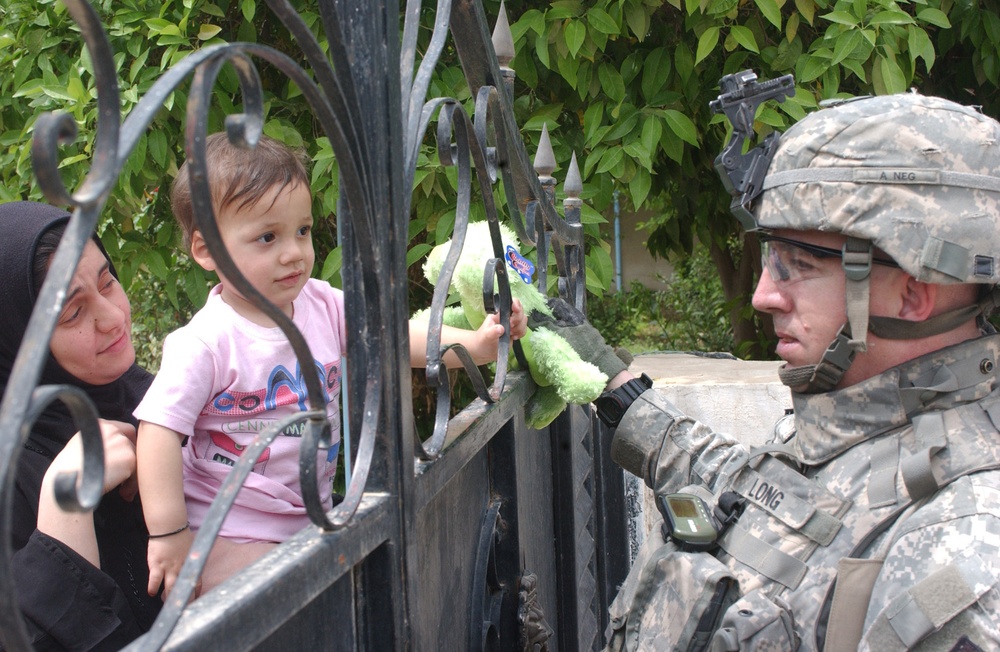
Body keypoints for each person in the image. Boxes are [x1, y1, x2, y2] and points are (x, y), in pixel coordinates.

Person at [542, 91, 1000, 649]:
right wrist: (614, 385)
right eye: (770, 262)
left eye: (799, 266)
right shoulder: (856, 424)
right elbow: (760, 489)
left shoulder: (964, 548)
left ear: (913, 294)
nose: (762, 295)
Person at [136, 133, 526, 600]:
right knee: (291, 602)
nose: (293, 252)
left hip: (305, 518)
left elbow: (393, 339)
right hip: (224, 526)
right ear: (206, 250)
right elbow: (158, 431)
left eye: (302, 231)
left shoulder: (321, 303)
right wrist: (168, 533)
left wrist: (476, 345)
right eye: (267, 237)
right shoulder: (206, 342)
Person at [2, 201, 161, 650]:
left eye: (107, 281)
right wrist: (64, 515)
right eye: (72, 312)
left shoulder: (151, 398)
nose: (113, 318)